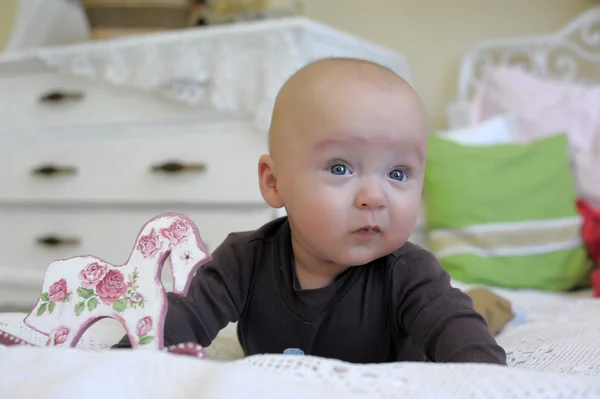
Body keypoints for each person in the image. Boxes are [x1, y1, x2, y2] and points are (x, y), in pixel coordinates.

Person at [113, 57, 507, 365]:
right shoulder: (243, 261)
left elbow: (462, 341)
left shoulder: (409, 272)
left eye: (398, 172)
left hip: (437, 323)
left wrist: (484, 372)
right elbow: (182, 319)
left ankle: (491, 300)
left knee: (469, 313)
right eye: (340, 168)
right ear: (274, 182)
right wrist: (117, 364)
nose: (375, 196)